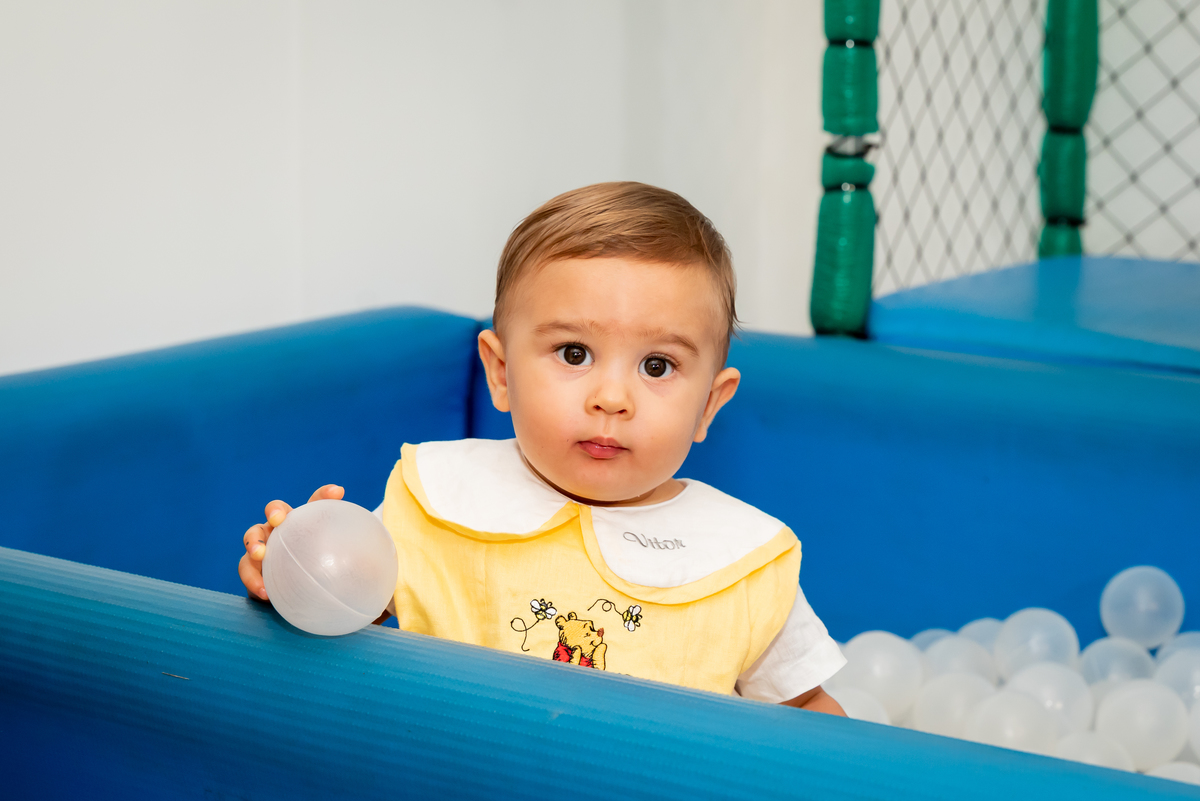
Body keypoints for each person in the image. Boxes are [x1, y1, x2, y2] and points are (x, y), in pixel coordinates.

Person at [238, 182, 847, 715]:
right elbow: (349, 617)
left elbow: (808, 713)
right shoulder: (435, 501)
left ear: (709, 405)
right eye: (574, 354)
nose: (612, 398)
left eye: (657, 365)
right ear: (501, 373)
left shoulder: (743, 561)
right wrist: (290, 574)